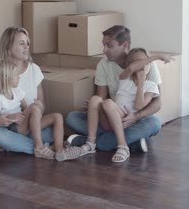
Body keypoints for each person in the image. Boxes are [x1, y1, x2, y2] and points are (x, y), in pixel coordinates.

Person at [0, 27, 82, 160]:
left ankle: (8, 146)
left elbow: (42, 106)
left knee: (49, 132)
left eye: (27, 43)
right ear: (8, 47)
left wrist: (39, 107)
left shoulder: (34, 69)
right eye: (21, 43)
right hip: (0, 126)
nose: (27, 47)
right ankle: (46, 150)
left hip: (26, 123)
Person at [66, 25, 164, 155]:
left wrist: (135, 117)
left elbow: (157, 103)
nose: (104, 50)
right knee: (72, 118)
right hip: (113, 115)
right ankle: (130, 141)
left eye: (109, 45)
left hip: (138, 119)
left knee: (155, 123)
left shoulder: (146, 64)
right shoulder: (104, 64)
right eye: (104, 45)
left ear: (124, 45)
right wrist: (93, 108)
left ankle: (96, 142)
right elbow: (101, 98)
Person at [80, 48, 172, 162]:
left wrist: (141, 83)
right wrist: (157, 56)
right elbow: (131, 68)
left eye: (146, 62)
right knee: (94, 100)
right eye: (139, 63)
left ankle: (122, 146)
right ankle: (90, 144)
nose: (143, 66)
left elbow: (139, 106)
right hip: (110, 120)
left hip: (126, 121)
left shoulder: (151, 86)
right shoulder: (124, 78)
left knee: (108, 103)